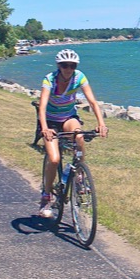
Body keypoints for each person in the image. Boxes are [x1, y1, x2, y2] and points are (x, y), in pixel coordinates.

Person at [37, 49, 108, 217]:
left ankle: (79, 177)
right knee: (54, 159)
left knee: (79, 137)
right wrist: (45, 128)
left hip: (68, 117)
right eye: (64, 65)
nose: (68, 69)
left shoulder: (79, 77)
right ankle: (46, 197)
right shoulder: (49, 80)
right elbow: (42, 106)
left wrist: (101, 124)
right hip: (51, 121)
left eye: (72, 66)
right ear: (58, 66)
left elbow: (92, 101)